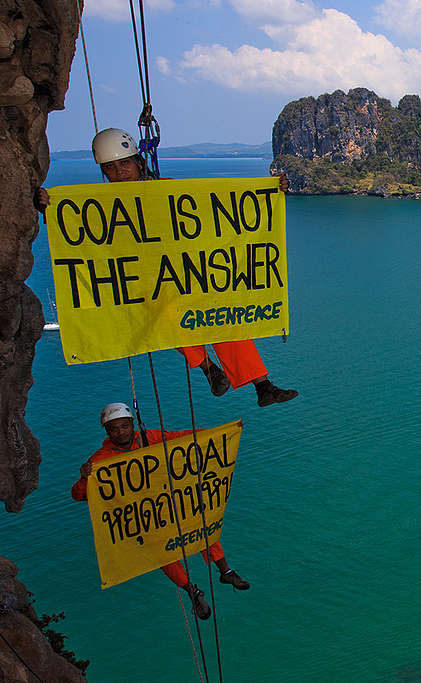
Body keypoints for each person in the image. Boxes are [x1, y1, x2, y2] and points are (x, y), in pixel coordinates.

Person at [36, 128, 298, 407]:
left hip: (186, 274)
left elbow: (215, 205)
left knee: (225, 319)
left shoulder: (168, 189)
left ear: (138, 162)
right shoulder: (100, 205)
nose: (120, 172)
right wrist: (49, 208)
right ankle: (209, 368)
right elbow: (77, 232)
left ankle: (262, 385)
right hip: (149, 284)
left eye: (124, 163)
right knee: (164, 316)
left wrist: (269, 193)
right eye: (111, 167)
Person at [71, 402, 250, 620]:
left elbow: (183, 438)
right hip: (146, 515)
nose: (120, 432)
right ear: (107, 432)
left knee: (202, 528)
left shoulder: (148, 438)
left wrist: (219, 433)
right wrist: (84, 478)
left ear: (132, 425)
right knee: (164, 554)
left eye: (124, 426)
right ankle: (192, 591)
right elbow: (79, 495)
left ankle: (226, 572)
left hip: (168, 503)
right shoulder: (100, 460)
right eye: (114, 429)